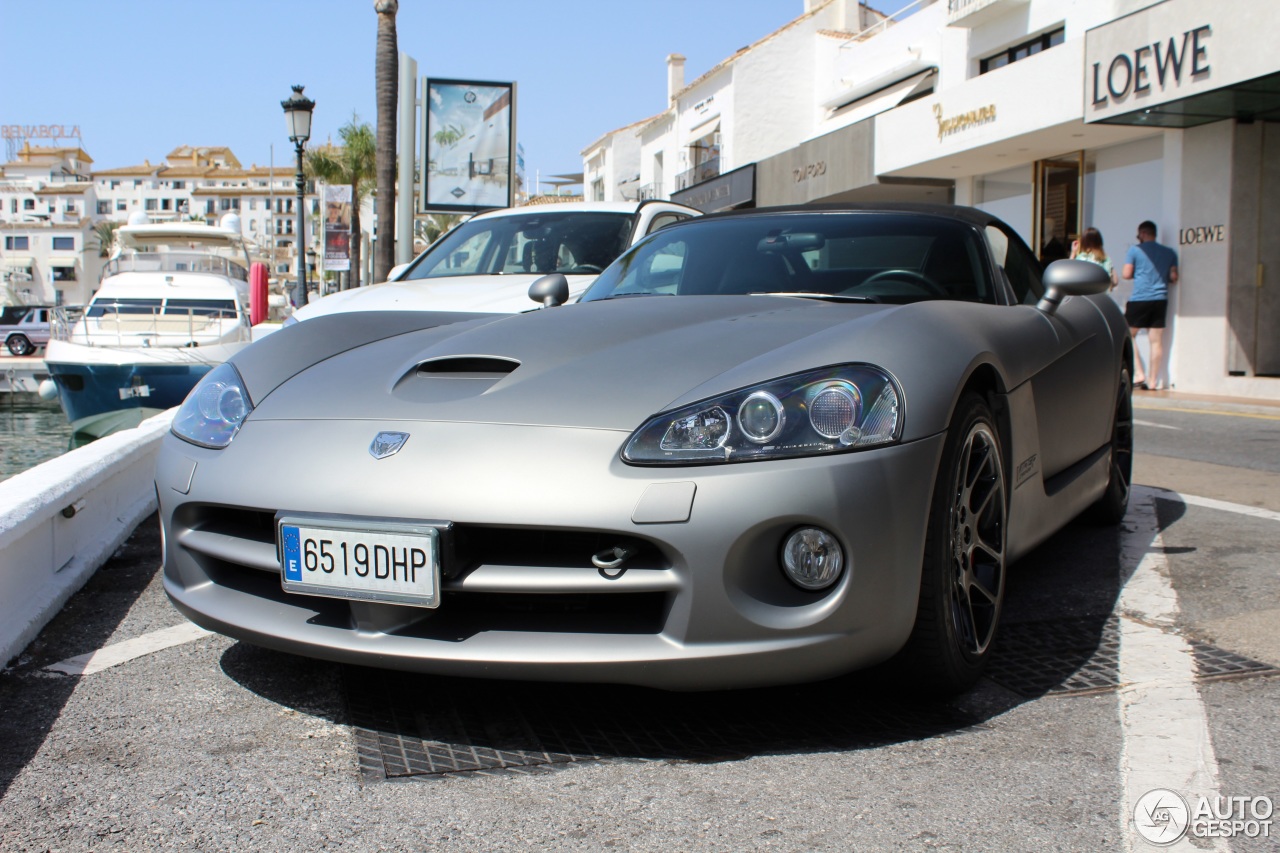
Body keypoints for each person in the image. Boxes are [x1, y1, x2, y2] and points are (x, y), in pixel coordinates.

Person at [1122, 220, 1179, 391]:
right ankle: (1153, 381)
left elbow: (1126, 273)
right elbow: (1174, 277)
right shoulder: (1170, 253)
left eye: (1139, 235)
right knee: (1156, 341)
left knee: (1127, 334)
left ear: (1143, 234)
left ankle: (1139, 373)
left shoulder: (1134, 250)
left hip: (1140, 298)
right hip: (1160, 299)